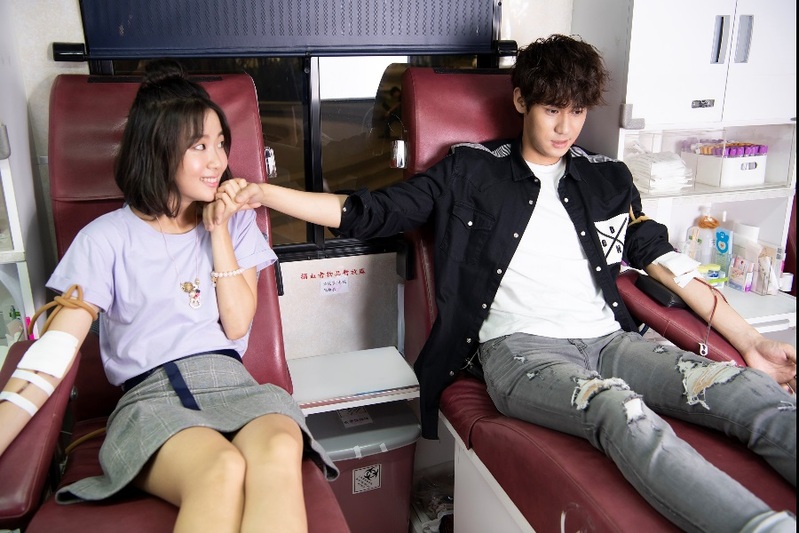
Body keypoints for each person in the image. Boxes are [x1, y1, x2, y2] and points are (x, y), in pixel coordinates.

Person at [214, 35, 797, 531]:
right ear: (521, 101)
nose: (565, 127)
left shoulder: (608, 179)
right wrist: (265, 193)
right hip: (521, 352)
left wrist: (750, 343)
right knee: (621, 411)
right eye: (552, 110)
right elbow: (368, 212)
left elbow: (664, 260)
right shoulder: (470, 171)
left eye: (577, 112)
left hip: (611, 341)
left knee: (745, 390)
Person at [0, 60, 336, 532]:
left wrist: (218, 230)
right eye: (199, 146)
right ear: (158, 149)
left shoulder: (237, 224)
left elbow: (237, 324)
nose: (217, 160)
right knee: (220, 469)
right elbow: (54, 351)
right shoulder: (104, 238)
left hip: (236, 386)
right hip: (151, 398)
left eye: (220, 142)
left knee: (281, 447)